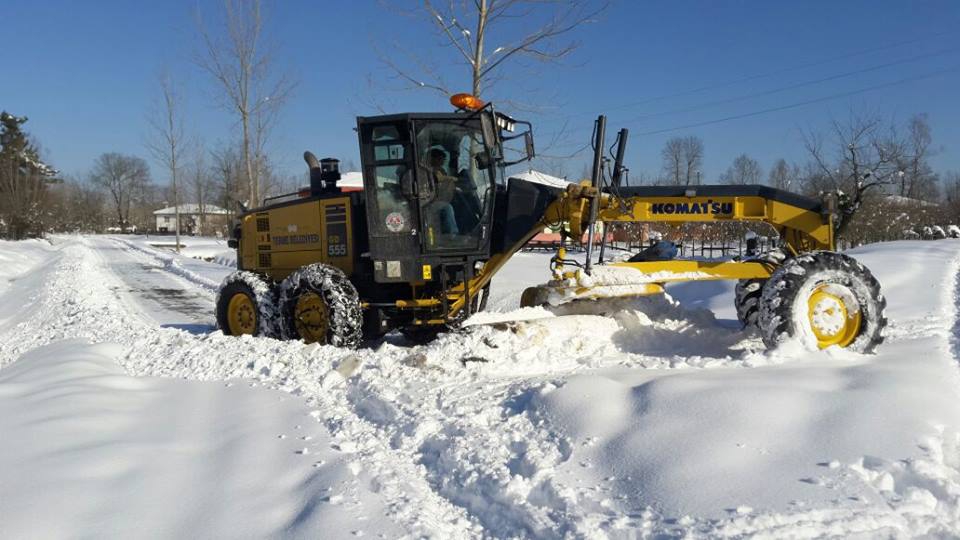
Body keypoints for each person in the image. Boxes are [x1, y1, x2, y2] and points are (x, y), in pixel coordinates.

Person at [423, 148, 459, 235]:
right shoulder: (426, 169)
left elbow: (444, 184)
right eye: (439, 159)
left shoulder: (441, 170)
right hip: (426, 203)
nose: (442, 162)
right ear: (432, 158)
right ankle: (453, 235)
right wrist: (452, 178)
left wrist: (456, 189)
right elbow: (439, 178)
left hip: (438, 199)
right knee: (447, 207)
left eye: (443, 159)